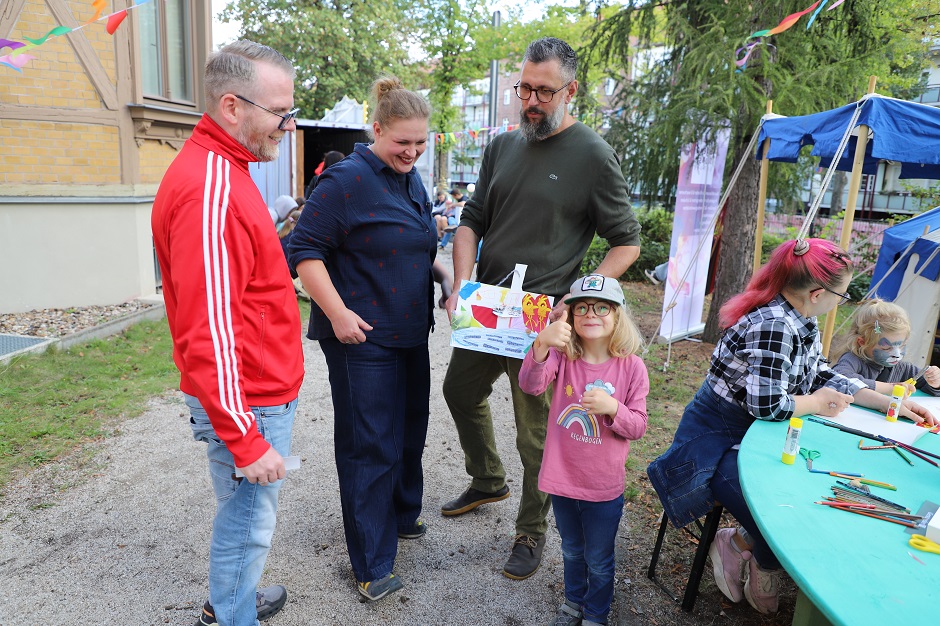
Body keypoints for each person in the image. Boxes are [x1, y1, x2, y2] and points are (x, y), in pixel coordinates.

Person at [440, 36, 641, 581]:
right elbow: (471, 221)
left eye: (544, 91)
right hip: (487, 306)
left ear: (571, 91)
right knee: (459, 391)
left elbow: (627, 242)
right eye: (524, 88)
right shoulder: (502, 146)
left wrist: (577, 298)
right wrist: (462, 281)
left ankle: (530, 530)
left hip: (544, 318)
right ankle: (488, 480)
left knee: (536, 433)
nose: (530, 100)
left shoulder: (593, 155)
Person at [646, 238, 936, 615]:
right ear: (817, 294)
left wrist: (887, 402)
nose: (841, 303)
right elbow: (767, 405)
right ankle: (748, 552)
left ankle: (744, 545)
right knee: (779, 513)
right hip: (714, 444)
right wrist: (816, 403)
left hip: (752, 433)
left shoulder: (801, 319)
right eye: (842, 296)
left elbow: (819, 373)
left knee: (796, 494)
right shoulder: (775, 326)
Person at [150, 40, 304, 626]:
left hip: (250, 389)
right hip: (250, 397)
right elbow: (207, 330)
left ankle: (235, 594)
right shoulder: (211, 188)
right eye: (280, 113)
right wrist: (245, 437)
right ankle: (234, 612)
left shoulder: (222, 170)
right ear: (232, 106)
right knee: (247, 523)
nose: (289, 126)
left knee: (243, 513)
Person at [289, 75, 435, 602]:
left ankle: (402, 514)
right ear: (376, 129)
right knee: (369, 445)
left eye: (421, 142)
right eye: (402, 142)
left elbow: (413, 242)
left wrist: (445, 277)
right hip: (361, 338)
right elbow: (304, 251)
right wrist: (338, 314)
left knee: (409, 431)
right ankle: (372, 564)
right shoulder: (345, 180)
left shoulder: (410, 178)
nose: (412, 152)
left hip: (410, 330)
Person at [518, 274, 649, 626]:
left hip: (603, 488)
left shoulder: (632, 367)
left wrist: (613, 408)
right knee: (572, 550)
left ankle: (596, 614)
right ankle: (573, 603)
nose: (591, 314)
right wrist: (541, 344)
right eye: (582, 308)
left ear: (617, 315)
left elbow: (638, 426)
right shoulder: (562, 357)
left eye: (602, 307)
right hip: (562, 481)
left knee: (600, 560)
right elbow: (530, 385)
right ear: (571, 316)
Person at [832, 298, 940, 396]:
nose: (897, 355)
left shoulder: (902, 368)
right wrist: (888, 388)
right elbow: (839, 378)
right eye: (886, 348)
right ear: (862, 342)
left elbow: (927, 386)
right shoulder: (853, 360)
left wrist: (935, 382)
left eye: (902, 346)